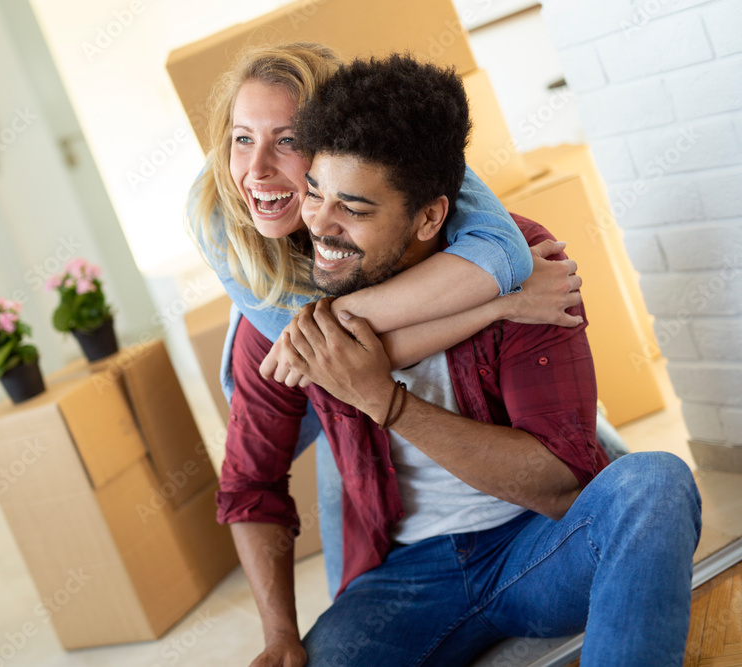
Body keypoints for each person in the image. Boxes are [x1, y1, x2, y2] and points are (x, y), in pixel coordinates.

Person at [217, 52, 701, 666]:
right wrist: (280, 635)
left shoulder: (525, 265)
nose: (320, 226)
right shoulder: (281, 308)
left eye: (355, 210)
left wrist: (387, 402)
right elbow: (251, 484)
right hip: (406, 578)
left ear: (429, 216)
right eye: (315, 192)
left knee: (653, 483)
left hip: (537, 544)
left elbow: (558, 488)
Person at [187, 42, 593, 597]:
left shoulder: (428, 182)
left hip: (508, 497)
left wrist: (338, 331)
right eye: (241, 138)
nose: (256, 168)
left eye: (287, 141)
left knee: (591, 467)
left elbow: (504, 257)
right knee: (344, 472)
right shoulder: (219, 220)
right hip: (300, 372)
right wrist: (501, 303)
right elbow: (339, 366)